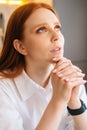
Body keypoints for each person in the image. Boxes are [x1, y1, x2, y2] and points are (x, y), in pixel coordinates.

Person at [0, 2, 87, 130]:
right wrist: (57, 102)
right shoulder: (4, 89)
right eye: (41, 30)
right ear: (21, 47)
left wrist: (75, 103)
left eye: (57, 28)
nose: (56, 36)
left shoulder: (69, 76)